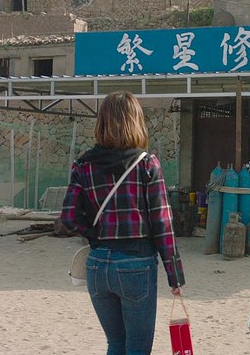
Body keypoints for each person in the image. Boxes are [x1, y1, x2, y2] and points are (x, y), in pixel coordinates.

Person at [61, 90, 185, 355]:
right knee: (138, 348)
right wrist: (175, 275)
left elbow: (68, 218)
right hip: (136, 264)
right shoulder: (147, 164)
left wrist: (93, 233)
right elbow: (162, 224)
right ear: (135, 121)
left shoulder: (82, 165)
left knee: (116, 344)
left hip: (97, 265)